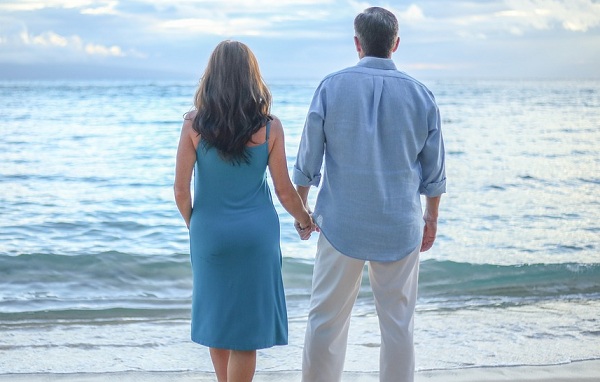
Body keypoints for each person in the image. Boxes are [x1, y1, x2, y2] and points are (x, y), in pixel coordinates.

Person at [293, 7, 446, 382]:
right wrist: (431, 218)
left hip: (341, 225)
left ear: (357, 44)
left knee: (325, 322)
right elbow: (435, 173)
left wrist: (302, 211)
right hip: (400, 225)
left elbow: (307, 162)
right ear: (395, 44)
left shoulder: (331, 86)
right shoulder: (421, 95)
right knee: (398, 327)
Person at [174, 40, 314, 382]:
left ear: (212, 77)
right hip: (256, 236)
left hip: (210, 233)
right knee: (245, 337)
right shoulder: (269, 127)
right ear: (253, 78)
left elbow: (180, 190)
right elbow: (283, 189)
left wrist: (199, 226)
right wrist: (305, 219)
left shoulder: (194, 124)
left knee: (218, 322)